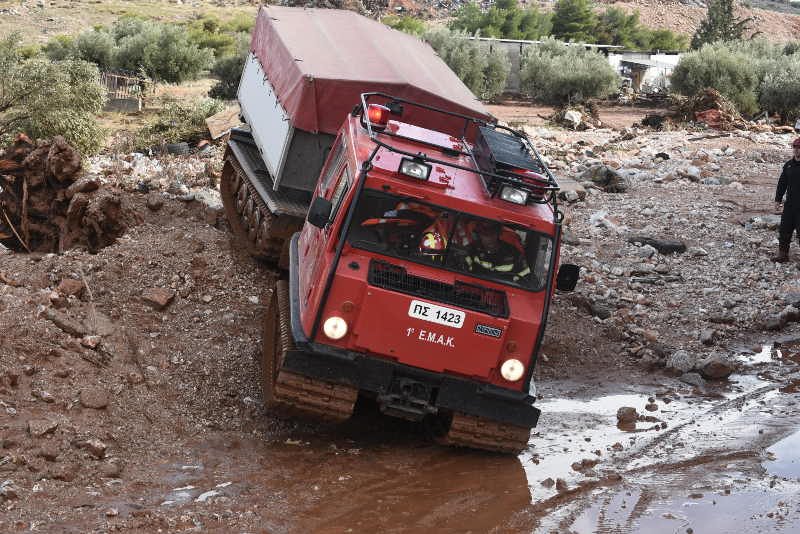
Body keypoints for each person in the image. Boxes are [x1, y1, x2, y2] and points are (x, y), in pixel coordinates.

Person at [464, 221, 530, 283]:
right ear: (479, 235)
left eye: (492, 234)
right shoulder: (472, 249)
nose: (490, 238)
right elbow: (462, 271)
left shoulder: (514, 253)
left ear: (498, 234)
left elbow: (525, 278)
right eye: (485, 235)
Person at [772, 137, 800, 263]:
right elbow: (782, 183)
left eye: (799, 148)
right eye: (795, 147)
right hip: (789, 205)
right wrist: (777, 200)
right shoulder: (788, 165)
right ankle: (783, 255)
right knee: (784, 230)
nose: (797, 150)